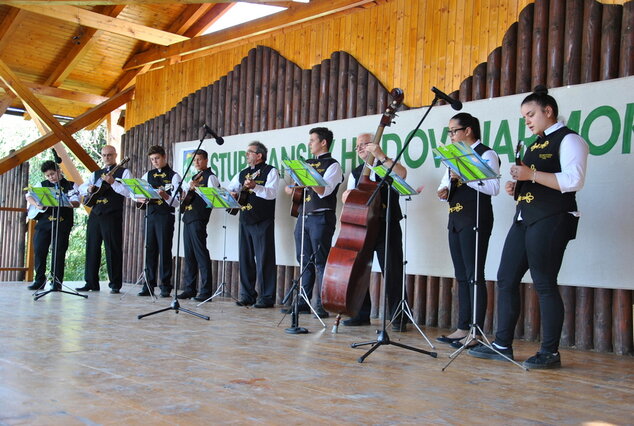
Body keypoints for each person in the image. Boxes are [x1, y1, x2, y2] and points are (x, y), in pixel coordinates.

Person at [469, 86, 589, 369]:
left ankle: (550, 352)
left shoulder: (570, 140)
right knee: (506, 278)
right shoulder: (533, 144)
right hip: (524, 216)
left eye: (531, 114)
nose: (528, 121)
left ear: (548, 111)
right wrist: (518, 185)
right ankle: (502, 344)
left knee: (544, 283)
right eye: (524, 117)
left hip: (552, 217)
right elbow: (535, 180)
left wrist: (531, 174)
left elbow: (573, 181)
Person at [435, 113, 500, 348]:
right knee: (461, 276)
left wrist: (464, 175)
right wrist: (443, 192)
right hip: (456, 218)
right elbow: (446, 184)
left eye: (454, 131)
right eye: (450, 132)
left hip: (476, 218)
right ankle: (463, 327)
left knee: (474, 275)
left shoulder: (487, 154)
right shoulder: (454, 156)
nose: (451, 136)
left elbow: (493, 187)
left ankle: (476, 331)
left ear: (468, 130)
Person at [340, 133, 408, 331]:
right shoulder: (356, 172)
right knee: (359, 271)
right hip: (364, 226)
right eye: (357, 146)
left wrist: (382, 156)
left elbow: (402, 174)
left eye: (364, 144)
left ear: (374, 144)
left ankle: (399, 317)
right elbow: (350, 200)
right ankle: (361, 314)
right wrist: (346, 197)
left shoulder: (386, 163)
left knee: (393, 270)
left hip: (387, 223)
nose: (360, 148)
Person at [283, 127, 343, 318]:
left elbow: (324, 191)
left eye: (312, 140)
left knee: (320, 260)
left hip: (321, 217)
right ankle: (303, 301)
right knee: (304, 260)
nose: (309, 144)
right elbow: (294, 189)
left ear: (323, 142)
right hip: (303, 216)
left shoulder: (333, 165)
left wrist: (307, 178)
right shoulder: (306, 163)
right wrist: (291, 188)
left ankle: (322, 304)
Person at [227, 141, 279, 308]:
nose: (246, 154)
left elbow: (271, 194)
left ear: (259, 155)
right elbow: (231, 188)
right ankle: (247, 295)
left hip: (262, 220)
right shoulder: (242, 173)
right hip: (245, 219)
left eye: (249, 152)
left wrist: (256, 186)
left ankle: (266, 297)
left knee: (265, 259)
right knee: (245, 259)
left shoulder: (270, 171)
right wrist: (233, 193)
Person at [76, 145, 131, 294]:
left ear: (115, 155)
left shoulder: (124, 172)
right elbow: (81, 188)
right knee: (92, 247)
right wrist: (88, 189)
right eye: (104, 155)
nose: (107, 158)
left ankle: (115, 284)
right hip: (96, 213)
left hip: (112, 214)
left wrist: (113, 183)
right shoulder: (96, 173)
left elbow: (128, 192)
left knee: (113, 248)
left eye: (110, 155)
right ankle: (91, 282)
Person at [25, 160, 80, 291]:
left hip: (62, 223)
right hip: (44, 223)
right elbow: (29, 196)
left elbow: (76, 202)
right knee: (39, 250)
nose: (51, 177)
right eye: (48, 175)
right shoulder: (42, 185)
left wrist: (68, 202)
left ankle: (57, 282)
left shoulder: (71, 185)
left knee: (59, 252)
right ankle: (39, 280)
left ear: (59, 170)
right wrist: (37, 204)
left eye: (52, 174)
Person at [137, 145, 181, 298]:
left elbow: (177, 203)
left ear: (164, 157)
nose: (154, 162)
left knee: (164, 250)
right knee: (150, 250)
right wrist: (139, 197)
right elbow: (135, 193)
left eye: (157, 158)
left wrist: (166, 196)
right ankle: (148, 284)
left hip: (165, 216)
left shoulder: (174, 176)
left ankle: (165, 285)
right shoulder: (147, 175)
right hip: (151, 215)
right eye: (152, 159)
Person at [176, 149, 220, 301]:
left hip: (199, 218)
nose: (197, 163)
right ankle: (190, 288)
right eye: (195, 160)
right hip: (188, 217)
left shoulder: (211, 177)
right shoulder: (195, 177)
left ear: (207, 160)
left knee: (201, 254)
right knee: (189, 255)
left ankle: (206, 291)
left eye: (200, 160)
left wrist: (198, 189)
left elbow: (213, 199)